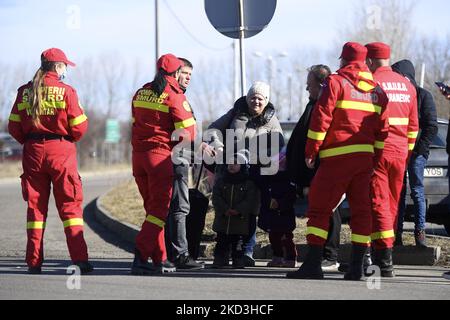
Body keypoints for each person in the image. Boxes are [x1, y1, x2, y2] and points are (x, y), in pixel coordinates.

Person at [287, 42, 389, 280]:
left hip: (336, 158)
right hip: (364, 161)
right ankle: (357, 267)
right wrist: (376, 160)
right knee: (362, 212)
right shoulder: (377, 91)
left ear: (343, 60)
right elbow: (383, 131)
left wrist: (311, 151)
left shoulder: (336, 82)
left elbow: (321, 119)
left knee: (320, 208)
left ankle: (312, 264)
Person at [8, 48, 92, 274]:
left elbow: (14, 127)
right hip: (61, 151)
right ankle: (80, 260)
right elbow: (80, 127)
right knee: (70, 206)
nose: (66, 71)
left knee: (35, 209)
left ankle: (33, 262)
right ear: (58, 67)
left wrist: (31, 141)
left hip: (32, 152)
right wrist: (67, 138)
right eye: (65, 66)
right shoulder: (67, 91)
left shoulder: (24, 91)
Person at [130, 54, 196, 275]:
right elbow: (189, 133)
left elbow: (135, 123)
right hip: (159, 158)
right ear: (176, 73)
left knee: (152, 210)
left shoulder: (141, 92)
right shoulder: (174, 96)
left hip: (138, 158)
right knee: (159, 211)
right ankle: (140, 256)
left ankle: (160, 259)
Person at [208, 81, 284, 267]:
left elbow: (280, 146)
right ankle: (223, 251)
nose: (255, 101)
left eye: (260, 98)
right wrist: (218, 146)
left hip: (254, 174)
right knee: (225, 209)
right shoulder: (235, 113)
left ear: (266, 101)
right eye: (252, 97)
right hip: (229, 170)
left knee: (249, 211)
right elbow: (212, 130)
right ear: (247, 98)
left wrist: (263, 156)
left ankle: (246, 251)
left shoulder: (272, 121)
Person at [365, 42, 419, 278]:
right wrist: (405, 153)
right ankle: (384, 256)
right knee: (393, 204)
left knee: (378, 203)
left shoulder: (370, 83)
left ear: (369, 60)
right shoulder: (407, 85)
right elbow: (414, 127)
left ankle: (383, 260)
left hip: (378, 151)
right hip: (400, 153)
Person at [286, 64, 343, 271]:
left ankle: (330, 255)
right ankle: (323, 255)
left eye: (309, 85)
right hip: (314, 170)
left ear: (320, 85)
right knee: (323, 210)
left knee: (330, 211)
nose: (306, 89)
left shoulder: (324, 106)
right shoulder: (314, 103)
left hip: (322, 168)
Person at [164, 57, 211, 269]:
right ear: (175, 73)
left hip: (171, 157)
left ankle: (166, 253)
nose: (188, 78)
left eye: (191, 75)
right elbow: (184, 133)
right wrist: (197, 147)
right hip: (174, 159)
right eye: (185, 73)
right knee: (180, 207)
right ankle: (180, 255)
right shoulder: (175, 97)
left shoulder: (167, 95)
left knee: (165, 207)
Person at [392, 59, 438, 247]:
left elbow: (431, 127)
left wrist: (418, 150)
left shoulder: (423, 96)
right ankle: (397, 233)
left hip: (416, 153)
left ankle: (420, 234)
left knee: (417, 191)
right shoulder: (399, 96)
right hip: (399, 151)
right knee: (398, 192)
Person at [211, 152, 260, 268]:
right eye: (229, 163)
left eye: (235, 163)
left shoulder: (248, 183)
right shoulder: (221, 181)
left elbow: (250, 200)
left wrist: (238, 210)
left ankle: (238, 259)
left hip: (240, 220)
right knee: (221, 241)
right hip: (224, 219)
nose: (231, 166)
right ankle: (220, 258)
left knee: (238, 242)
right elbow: (216, 197)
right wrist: (225, 209)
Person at [258, 147, 297, 268]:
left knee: (286, 238)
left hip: (284, 215)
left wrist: (279, 204)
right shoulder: (268, 181)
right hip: (271, 214)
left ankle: (291, 257)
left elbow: (290, 199)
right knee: (273, 237)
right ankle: (277, 257)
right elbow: (264, 196)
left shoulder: (289, 182)